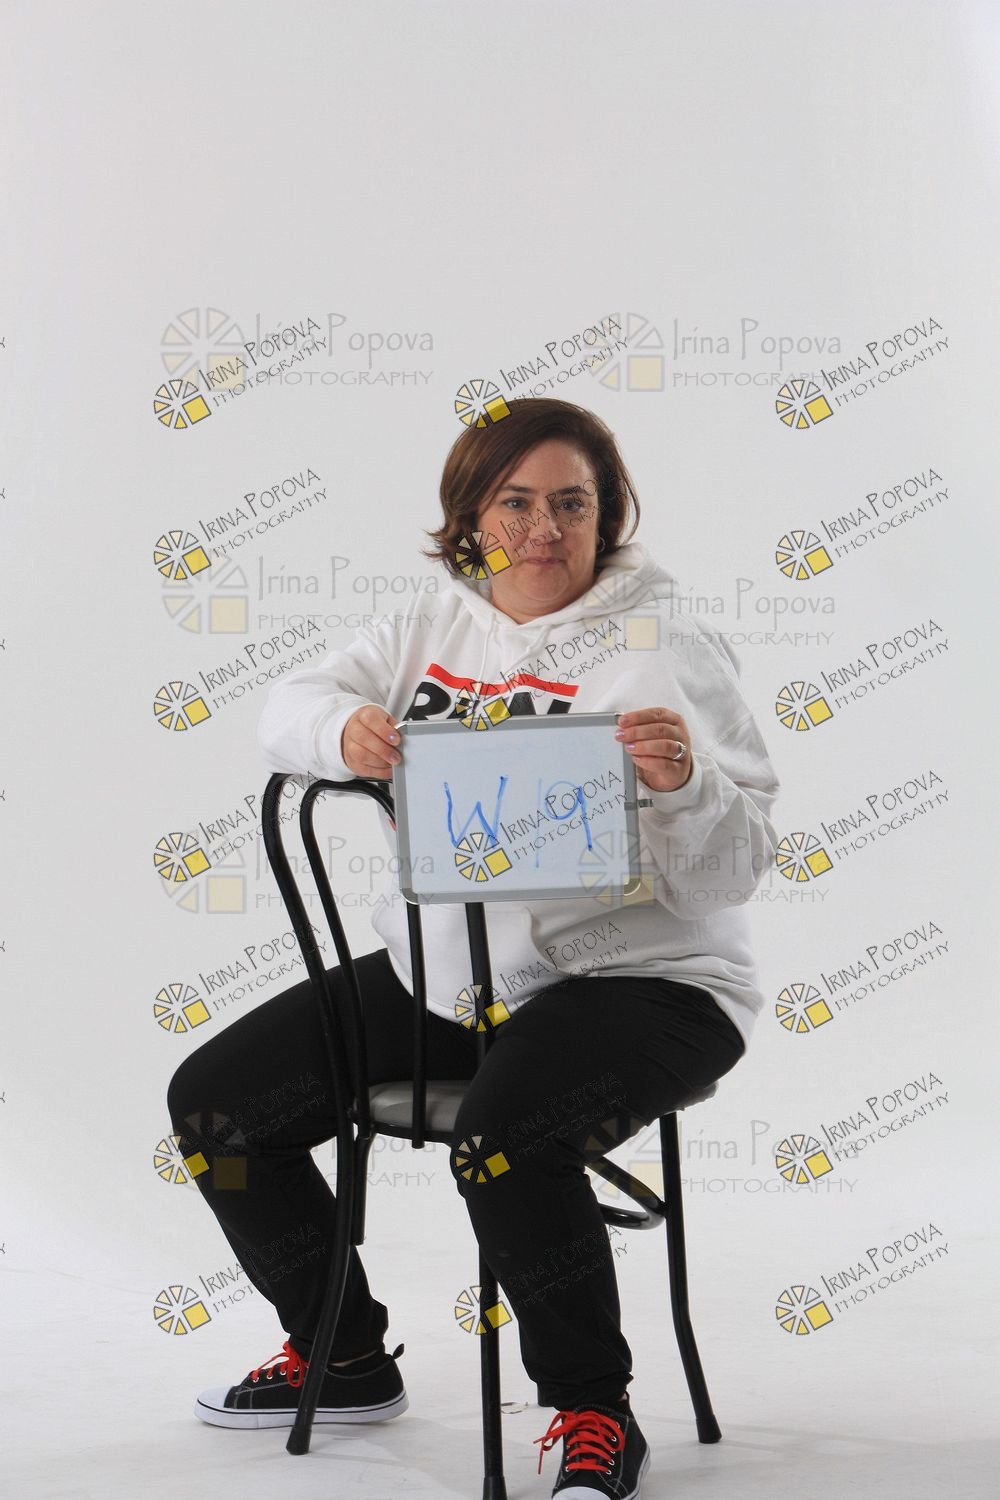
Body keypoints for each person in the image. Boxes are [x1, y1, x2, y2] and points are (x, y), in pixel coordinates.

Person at [167, 396, 781, 1499]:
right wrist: (341, 730)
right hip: (457, 980)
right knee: (218, 1106)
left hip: (646, 982)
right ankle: (343, 1355)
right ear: (471, 518)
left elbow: (736, 872)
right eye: (516, 503)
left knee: (504, 1135)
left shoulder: (667, 642)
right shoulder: (428, 621)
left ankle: (593, 1410)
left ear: (606, 517)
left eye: (572, 504)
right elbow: (289, 705)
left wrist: (687, 783)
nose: (544, 530)